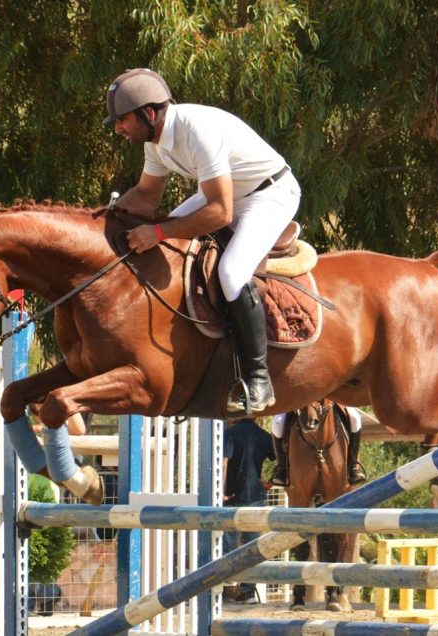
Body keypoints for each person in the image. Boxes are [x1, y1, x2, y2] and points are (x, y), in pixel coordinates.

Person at [105, 68, 301, 413]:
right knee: (170, 243)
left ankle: (259, 379)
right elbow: (147, 197)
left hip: (269, 193)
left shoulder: (197, 131)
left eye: (122, 120)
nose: (119, 128)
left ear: (149, 113)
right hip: (230, 194)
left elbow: (220, 213)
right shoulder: (156, 141)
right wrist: (107, 215)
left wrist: (157, 232)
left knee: (231, 272)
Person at [222, 418, 275, 603]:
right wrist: (270, 482)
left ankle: (227, 589)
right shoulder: (264, 436)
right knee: (251, 547)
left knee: (228, 545)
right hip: (257, 497)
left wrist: (222, 490)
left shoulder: (229, 433)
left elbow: (225, 462)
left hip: (232, 496)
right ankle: (248, 591)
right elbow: (279, 461)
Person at [269, 402, 366, 487]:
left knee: (355, 419)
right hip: (298, 400)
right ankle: (282, 469)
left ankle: (352, 466)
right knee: (278, 422)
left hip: (332, 399)